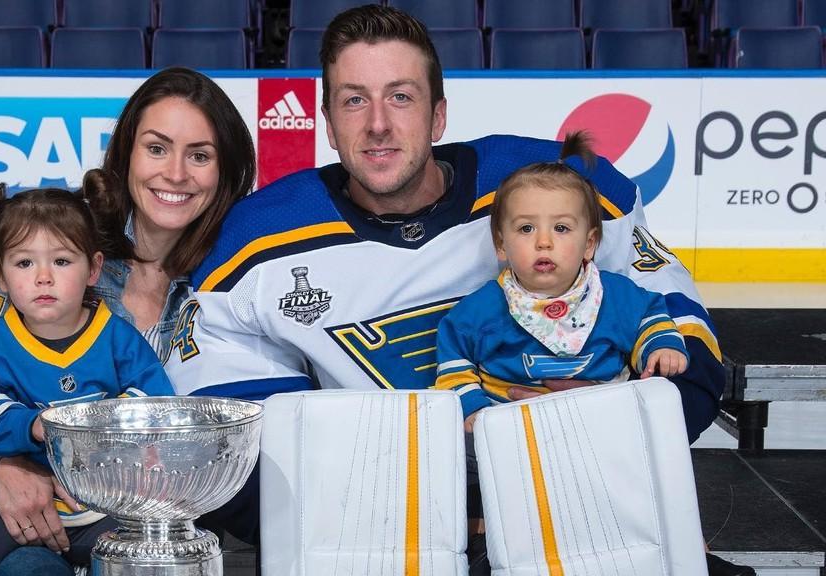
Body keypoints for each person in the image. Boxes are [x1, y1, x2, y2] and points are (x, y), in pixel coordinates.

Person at [163, 5, 752, 575]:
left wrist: (591, 438)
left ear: (439, 116)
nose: (377, 124)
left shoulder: (558, 188)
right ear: (327, 121)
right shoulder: (254, 242)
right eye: (353, 100)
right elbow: (239, 457)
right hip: (386, 539)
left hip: (583, 504)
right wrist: (464, 487)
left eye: (401, 96)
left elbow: (685, 352)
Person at [0, 67, 256, 574]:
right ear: (126, 154)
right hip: (30, 518)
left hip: (150, 522)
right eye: (157, 148)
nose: (176, 173)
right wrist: (3, 463)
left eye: (200, 155)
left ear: (225, 170)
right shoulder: (52, 247)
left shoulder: (237, 279)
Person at [0, 186, 175, 576]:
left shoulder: (117, 336)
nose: (42, 277)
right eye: (24, 263)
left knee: (151, 563)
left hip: (102, 503)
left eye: (60, 261)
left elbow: (154, 401)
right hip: (8, 507)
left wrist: (110, 432)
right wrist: (30, 426)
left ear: (93, 269)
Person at [434, 131, 690, 415]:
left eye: (561, 228)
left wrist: (661, 347)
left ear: (589, 244)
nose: (544, 241)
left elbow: (651, 318)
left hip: (603, 425)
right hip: (505, 432)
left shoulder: (616, 296)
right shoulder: (481, 308)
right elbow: (454, 359)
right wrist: (472, 409)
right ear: (501, 244)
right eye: (526, 228)